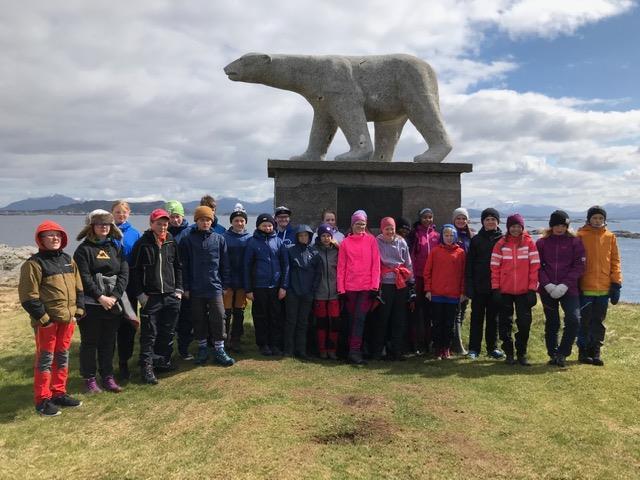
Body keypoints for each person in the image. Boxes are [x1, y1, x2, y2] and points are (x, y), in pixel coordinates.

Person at [19, 221, 85, 416]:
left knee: (62, 357)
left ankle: (58, 393)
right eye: (49, 235)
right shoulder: (33, 264)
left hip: (67, 320)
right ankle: (42, 400)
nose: (55, 238)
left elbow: (78, 287)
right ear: (41, 239)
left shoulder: (68, 259)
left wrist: (79, 311)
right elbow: (28, 297)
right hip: (47, 323)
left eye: (58, 235)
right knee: (45, 360)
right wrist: (45, 319)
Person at [74, 210, 128, 393]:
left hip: (112, 303)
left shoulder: (116, 247)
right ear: (92, 227)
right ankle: (89, 379)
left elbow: (123, 272)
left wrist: (114, 296)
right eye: (99, 224)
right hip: (91, 304)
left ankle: (107, 376)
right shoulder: (83, 250)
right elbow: (83, 276)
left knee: (108, 342)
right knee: (90, 342)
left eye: (107, 224)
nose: (103, 227)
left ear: (111, 227)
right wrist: (100, 297)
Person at [130, 208, 183, 384]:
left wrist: (179, 290)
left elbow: (178, 267)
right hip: (151, 296)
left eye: (165, 224)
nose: (162, 227)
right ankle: (146, 367)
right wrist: (140, 294)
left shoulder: (171, 241)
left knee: (167, 332)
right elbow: (134, 271)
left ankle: (162, 361)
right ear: (151, 224)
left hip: (170, 295)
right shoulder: (142, 243)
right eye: (158, 223)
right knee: (149, 334)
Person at [180, 206, 234, 366]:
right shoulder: (187, 240)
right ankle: (202, 348)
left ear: (212, 221)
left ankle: (219, 349)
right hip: (195, 288)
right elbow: (184, 266)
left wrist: (225, 284)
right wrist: (186, 287)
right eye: (202, 219)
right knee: (198, 318)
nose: (205, 222)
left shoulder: (219, 239)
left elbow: (225, 264)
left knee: (218, 317)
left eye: (208, 220)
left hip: (215, 287)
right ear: (196, 221)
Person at [536, 210, 585, 368]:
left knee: (573, 319)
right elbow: (537, 266)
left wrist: (565, 285)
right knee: (552, 322)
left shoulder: (575, 242)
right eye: (556, 225)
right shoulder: (542, 243)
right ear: (551, 226)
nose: (559, 228)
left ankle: (563, 353)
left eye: (563, 225)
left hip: (569, 289)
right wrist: (548, 285)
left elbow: (579, 265)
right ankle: (553, 353)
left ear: (567, 226)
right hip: (547, 289)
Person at [490, 213, 540, 366]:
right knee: (505, 323)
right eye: (513, 226)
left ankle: (521, 353)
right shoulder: (500, 244)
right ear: (508, 227)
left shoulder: (530, 243)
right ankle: (509, 353)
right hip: (505, 291)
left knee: (524, 323)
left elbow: (535, 267)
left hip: (524, 291)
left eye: (518, 226)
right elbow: (494, 268)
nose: (516, 229)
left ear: (522, 227)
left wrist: (532, 289)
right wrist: (495, 288)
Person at [576, 206, 622, 366]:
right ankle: (583, 352)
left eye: (600, 218)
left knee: (599, 321)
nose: (597, 221)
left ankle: (595, 351)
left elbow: (615, 261)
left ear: (604, 220)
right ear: (589, 219)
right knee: (585, 321)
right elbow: (575, 260)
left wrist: (616, 283)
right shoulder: (580, 236)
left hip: (604, 288)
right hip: (585, 287)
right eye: (594, 218)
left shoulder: (610, 237)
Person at [337, 210, 381, 365]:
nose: (360, 227)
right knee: (350, 320)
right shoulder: (345, 243)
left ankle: (355, 351)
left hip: (366, 287)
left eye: (363, 224)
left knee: (360, 319)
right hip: (349, 288)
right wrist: (341, 290)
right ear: (352, 224)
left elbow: (376, 265)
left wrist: (375, 286)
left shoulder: (371, 241)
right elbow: (341, 267)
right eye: (357, 224)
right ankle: (350, 350)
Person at [243, 213, 290, 356]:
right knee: (261, 316)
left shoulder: (278, 242)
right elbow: (246, 266)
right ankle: (263, 344)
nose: (267, 227)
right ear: (258, 226)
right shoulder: (252, 242)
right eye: (264, 225)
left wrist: (284, 286)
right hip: (259, 286)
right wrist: (248, 289)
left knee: (276, 316)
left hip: (276, 286)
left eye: (270, 225)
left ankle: (275, 344)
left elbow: (286, 265)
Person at [465, 208, 504, 360]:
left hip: (496, 286)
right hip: (478, 285)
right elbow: (469, 265)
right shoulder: (476, 240)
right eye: (487, 219)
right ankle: (474, 349)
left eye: (493, 219)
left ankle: (492, 348)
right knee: (476, 318)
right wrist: (469, 285)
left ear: (497, 222)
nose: (490, 222)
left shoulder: (502, 239)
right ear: (483, 222)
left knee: (493, 319)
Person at [373, 217, 413, 361]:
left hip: (400, 282)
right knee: (383, 317)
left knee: (399, 317)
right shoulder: (376, 242)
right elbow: (375, 263)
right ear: (382, 229)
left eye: (392, 229)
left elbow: (408, 262)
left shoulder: (401, 242)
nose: (390, 232)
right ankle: (378, 350)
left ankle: (397, 350)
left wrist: (411, 282)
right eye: (387, 229)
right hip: (385, 283)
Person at [423, 224, 466, 360]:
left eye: (451, 235)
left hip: (453, 295)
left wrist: (462, 292)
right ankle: (437, 348)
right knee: (437, 323)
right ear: (442, 236)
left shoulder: (461, 253)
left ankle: (446, 348)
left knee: (449, 324)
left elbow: (464, 274)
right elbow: (427, 272)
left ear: (455, 236)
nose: (449, 237)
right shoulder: (435, 251)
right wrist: (428, 289)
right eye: (446, 235)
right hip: (436, 294)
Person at [111, 200, 141, 379]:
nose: (120, 215)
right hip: (109, 286)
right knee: (110, 326)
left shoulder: (135, 234)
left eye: (123, 212)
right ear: (112, 213)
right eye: (117, 212)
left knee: (128, 325)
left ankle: (124, 362)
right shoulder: (106, 232)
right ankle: (107, 364)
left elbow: (137, 262)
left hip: (129, 287)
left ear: (129, 213)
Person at [406, 208, 440, 354]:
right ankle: (414, 343)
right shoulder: (415, 235)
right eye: (425, 217)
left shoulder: (437, 236)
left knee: (429, 312)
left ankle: (428, 342)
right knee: (415, 311)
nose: (428, 219)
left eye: (430, 217)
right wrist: (411, 277)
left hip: (432, 278)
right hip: (418, 277)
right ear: (420, 218)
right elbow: (411, 257)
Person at [165, 200, 193, 360]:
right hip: (168, 281)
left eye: (177, 216)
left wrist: (187, 285)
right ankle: (166, 353)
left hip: (186, 280)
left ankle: (184, 349)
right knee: (169, 320)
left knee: (185, 318)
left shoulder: (190, 232)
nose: (175, 220)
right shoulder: (162, 232)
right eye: (171, 217)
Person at [284, 224, 317, 359]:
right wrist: (286, 287)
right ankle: (288, 349)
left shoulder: (314, 253)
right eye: (301, 235)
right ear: (297, 237)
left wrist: (312, 290)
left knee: (303, 322)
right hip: (293, 291)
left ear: (309, 237)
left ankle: (301, 350)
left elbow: (318, 274)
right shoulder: (290, 251)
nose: (304, 238)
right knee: (291, 321)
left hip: (307, 293)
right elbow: (286, 270)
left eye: (306, 235)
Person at [223, 203, 251, 352]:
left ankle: (236, 339)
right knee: (226, 312)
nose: (239, 223)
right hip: (227, 281)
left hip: (242, 282)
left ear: (245, 222)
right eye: (236, 221)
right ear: (231, 222)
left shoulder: (250, 238)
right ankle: (224, 338)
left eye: (242, 221)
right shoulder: (224, 238)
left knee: (239, 312)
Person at [311, 224, 340, 359]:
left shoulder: (337, 251)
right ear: (319, 236)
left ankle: (332, 350)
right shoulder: (314, 250)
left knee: (334, 323)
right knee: (321, 323)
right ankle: (322, 349)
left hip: (334, 292)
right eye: (323, 235)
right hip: (320, 293)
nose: (326, 238)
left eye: (328, 236)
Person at [451, 207, 474, 355]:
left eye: (463, 218)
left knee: (462, 311)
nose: (461, 221)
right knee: (455, 313)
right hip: (452, 278)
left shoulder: (471, 237)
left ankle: (455, 343)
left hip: (467, 278)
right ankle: (457, 346)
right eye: (458, 218)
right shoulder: (449, 234)